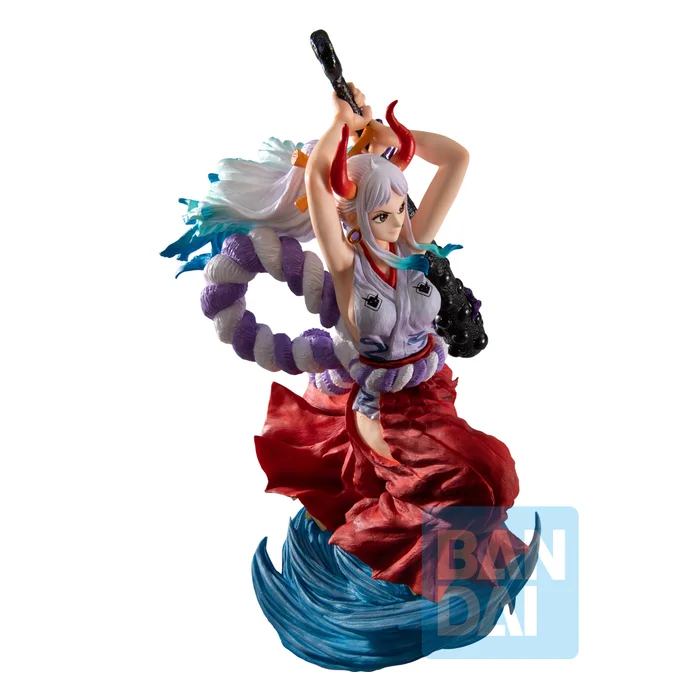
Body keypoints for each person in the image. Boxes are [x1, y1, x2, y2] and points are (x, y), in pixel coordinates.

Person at [162, 84, 538, 670]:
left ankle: (430, 570)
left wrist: (385, 134)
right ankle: (376, 550)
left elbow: (457, 159)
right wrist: (338, 123)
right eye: (381, 214)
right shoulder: (347, 268)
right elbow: (318, 183)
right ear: (355, 218)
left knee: (492, 484)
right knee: (483, 474)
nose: (396, 221)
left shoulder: (412, 244)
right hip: (382, 406)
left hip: (429, 388)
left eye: (399, 209)